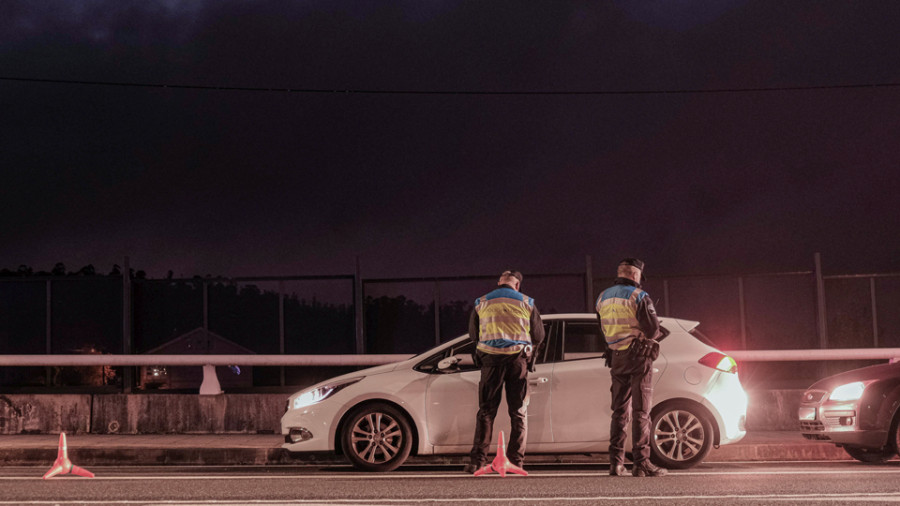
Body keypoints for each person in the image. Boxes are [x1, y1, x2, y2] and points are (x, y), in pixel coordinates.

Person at [464, 270, 545, 474]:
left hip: (490, 361)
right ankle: (516, 461)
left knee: (486, 412)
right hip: (517, 361)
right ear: (517, 285)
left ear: (499, 282)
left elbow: (473, 335)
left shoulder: (482, 301)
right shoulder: (527, 302)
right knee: (518, 411)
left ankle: (477, 461)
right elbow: (538, 335)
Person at [597, 258, 667, 477]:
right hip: (638, 358)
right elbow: (653, 329)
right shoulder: (639, 296)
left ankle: (616, 463)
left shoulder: (602, 297)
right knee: (641, 412)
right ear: (636, 275)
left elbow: (601, 328)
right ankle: (641, 463)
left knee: (619, 412)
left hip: (616, 357)